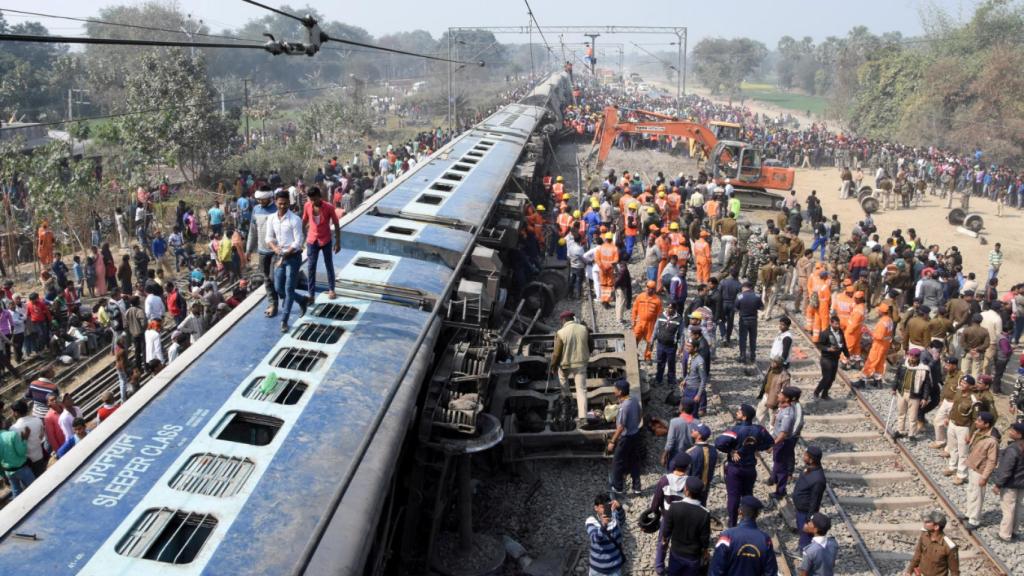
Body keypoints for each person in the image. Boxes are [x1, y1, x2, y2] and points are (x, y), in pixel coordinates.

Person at [715, 404, 773, 527]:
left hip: (735, 469)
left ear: (745, 417)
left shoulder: (735, 430)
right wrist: (756, 447)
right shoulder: (759, 429)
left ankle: (732, 524)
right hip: (750, 469)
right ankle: (748, 521)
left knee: (733, 496)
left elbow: (718, 443)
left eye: (739, 412)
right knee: (747, 495)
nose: (737, 413)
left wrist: (731, 451)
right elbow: (770, 442)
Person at [266, 189, 308, 332]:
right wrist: (275, 248)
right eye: (280, 203)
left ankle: (284, 320)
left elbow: (298, 241)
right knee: (279, 288)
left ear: (289, 203)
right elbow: (268, 238)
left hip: (293, 257)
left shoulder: (295, 220)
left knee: (289, 289)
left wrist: (283, 255)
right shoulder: (271, 219)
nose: (282, 206)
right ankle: (302, 300)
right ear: (276, 203)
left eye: (285, 203)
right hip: (280, 256)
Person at [708, 495, 778, 576]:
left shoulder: (727, 537)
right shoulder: (765, 540)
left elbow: (716, 569)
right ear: (757, 514)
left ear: (739, 511)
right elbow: (771, 572)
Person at [651, 452, 692, 575]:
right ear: (687, 466)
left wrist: (655, 511)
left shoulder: (664, 480)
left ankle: (659, 566)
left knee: (662, 542)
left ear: (674, 465)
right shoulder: (690, 482)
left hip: (667, 517)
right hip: (684, 519)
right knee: (679, 544)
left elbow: (656, 500)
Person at [663, 477, 711, 576]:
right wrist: (705, 551)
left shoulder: (675, 506)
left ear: (687, 491)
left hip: (676, 552)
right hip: (693, 556)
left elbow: (667, 528)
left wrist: (665, 540)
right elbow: (704, 537)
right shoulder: (704, 513)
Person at [302, 186, 341, 301]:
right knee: (311, 267)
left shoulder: (329, 207)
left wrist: (338, 242)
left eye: (315, 199)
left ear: (320, 197)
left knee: (329, 265)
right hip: (312, 240)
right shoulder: (307, 206)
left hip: (326, 240)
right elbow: (304, 221)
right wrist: (301, 237)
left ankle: (331, 289)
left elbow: (336, 224)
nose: (313, 202)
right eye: (311, 199)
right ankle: (311, 294)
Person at [551, 311, 591, 424]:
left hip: (566, 365)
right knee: (581, 390)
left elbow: (556, 354)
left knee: (562, 378)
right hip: (581, 364)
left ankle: (567, 398)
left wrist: (553, 366)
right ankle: (583, 418)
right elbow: (591, 345)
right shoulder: (584, 329)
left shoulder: (561, 333)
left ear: (563, 320)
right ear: (572, 318)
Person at [248, 186, 280, 317]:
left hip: (276, 251)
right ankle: (273, 304)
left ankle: (289, 299)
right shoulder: (256, 210)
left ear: (269, 197)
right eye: (259, 199)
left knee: (274, 278)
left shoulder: (277, 209)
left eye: (263, 199)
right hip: (262, 251)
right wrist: (248, 250)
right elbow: (252, 231)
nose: (260, 202)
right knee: (267, 278)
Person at [608, 380, 643, 496]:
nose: (614, 391)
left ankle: (618, 487)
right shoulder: (634, 401)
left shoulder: (624, 406)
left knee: (617, 461)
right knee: (634, 461)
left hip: (626, 438)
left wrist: (612, 441)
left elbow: (621, 427)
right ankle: (637, 487)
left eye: (615, 389)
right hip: (636, 435)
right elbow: (639, 416)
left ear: (620, 392)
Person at [964, 411, 998, 529]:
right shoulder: (978, 432)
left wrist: (984, 477)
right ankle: (968, 514)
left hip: (980, 471)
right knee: (971, 491)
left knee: (978, 495)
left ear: (986, 424)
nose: (976, 422)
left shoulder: (992, 441)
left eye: (979, 421)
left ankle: (974, 520)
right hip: (972, 467)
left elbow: (992, 461)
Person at [992, 422, 1024, 542]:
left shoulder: (1013, 449)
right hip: (1022, 484)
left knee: (1008, 509)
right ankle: (1014, 531)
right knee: (1018, 508)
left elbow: (1006, 469)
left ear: (1019, 435)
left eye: (1013, 430)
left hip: (1011, 484)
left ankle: (1005, 534)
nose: (1010, 431)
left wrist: (998, 484)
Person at [891, 348, 933, 440]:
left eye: (915, 356)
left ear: (918, 357)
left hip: (915, 395)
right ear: (908, 355)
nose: (912, 357)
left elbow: (926, 385)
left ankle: (911, 434)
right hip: (902, 392)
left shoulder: (924, 369)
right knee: (901, 413)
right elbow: (897, 377)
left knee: (913, 416)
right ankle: (900, 430)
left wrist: (925, 398)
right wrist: (894, 388)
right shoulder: (903, 364)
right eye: (911, 355)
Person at [771, 387, 804, 501]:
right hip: (780, 441)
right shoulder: (782, 408)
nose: (778, 395)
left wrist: (773, 444)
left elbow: (783, 434)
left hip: (782, 443)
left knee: (781, 467)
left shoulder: (787, 414)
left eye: (781, 394)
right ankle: (774, 479)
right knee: (777, 462)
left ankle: (780, 491)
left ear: (787, 398)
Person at [906, 511, 959, 576]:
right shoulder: (924, 535)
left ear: (936, 527)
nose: (925, 523)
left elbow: (954, 571)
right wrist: (909, 571)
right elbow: (917, 554)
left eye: (928, 522)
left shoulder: (949, 546)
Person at [855, 302, 894, 388]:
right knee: (880, 363)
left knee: (871, 362)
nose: (877, 312)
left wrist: (869, 332)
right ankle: (878, 381)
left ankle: (862, 381)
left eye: (878, 311)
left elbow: (879, 336)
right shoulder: (889, 320)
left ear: (882, 312)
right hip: (885, 345)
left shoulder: (882, 322)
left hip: (878, 345)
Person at [586, 493, 625, 576]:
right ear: (596, 508)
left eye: (607, 506)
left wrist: (619, 508)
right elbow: (595, 538)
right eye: (603, 507)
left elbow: (622, 520)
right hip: (597, 570)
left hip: (614, 568)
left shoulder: (615, 518)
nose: (606, 509)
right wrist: (603, 525)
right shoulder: (591, 521)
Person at [815, 315, 849, 400]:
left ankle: (825, 394)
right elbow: (819, 345)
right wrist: (827, 349)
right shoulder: (825, 333)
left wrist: (847, 355)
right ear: (831, 323)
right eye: (836, 324)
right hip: (826, 358)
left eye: (838, 324)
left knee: (832, 378)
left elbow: (844, 344)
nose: (837, 326)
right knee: (827, 377)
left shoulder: (840, 332)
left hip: (835, 358)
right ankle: (816, 392)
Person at [10, 400, 46, 478]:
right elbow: (41, 436)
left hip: (27, 463)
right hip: (40, 456)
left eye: (12, 412)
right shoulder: (37, 420)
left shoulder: (14, 429)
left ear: (16, 413)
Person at [653, 303, 684, 387]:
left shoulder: (679, 319)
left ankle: (671, 381)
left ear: (675, 309)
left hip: (671, 347)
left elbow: (681, 335)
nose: (669, 310)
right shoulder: (660, 316)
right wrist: (651, 342)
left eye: (671, 308)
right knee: (660, 363)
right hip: (660, 345)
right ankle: (658, 380)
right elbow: (655, 330)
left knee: (671, 364)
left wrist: (681, 347)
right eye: (668, 308)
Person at [632, 280, 663, 361]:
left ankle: (647, 356)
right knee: (634, 338)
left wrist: (658, 325)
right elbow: (634, 309)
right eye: (648, 287)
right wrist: (634, 320)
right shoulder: (640, 297)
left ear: (654, 289)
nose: (650, 290)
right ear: (646, 287)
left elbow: (659, 314)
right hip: (639, 322)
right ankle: (633, 354)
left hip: (651, 324)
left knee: (650, 341)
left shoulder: (657, 300)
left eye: (652, 288)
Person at [755, 355, 790, 427]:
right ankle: (760, 430)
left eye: (774, 362)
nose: (772, 363)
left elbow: (785, 391)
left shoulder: (784, 375)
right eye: (772, 361)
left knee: (773, 420)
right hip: (766, 395)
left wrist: (781, 403)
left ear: (779, 364)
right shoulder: (771, 369)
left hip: (775, 400)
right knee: (759, 414)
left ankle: (771, 435)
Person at [0, 425, 34, 497]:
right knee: (34, 488)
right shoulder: (12, 435)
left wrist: (3, 475)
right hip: (22, 469)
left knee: (17, 494)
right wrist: (24, 440)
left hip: (9, 472)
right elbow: (21, 452)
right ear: (2, 423)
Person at [735, 281, 764, 364]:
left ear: (744, 287)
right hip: (753, 320)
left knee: (743, 339)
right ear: (751, 288)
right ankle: (752, 356)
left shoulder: (740, 296)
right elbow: (762, 308)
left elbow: (736, 308)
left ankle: (742, 356)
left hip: (744, 320)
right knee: (753, 339)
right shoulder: (757, 296)